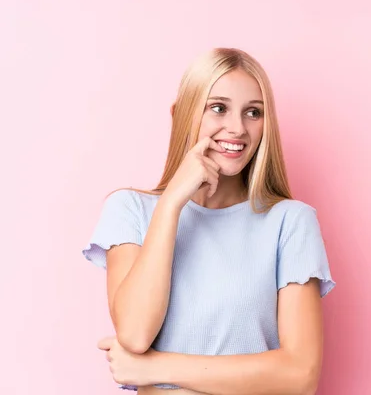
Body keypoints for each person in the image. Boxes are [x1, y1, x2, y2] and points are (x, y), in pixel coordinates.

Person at [81, 47, 336, 394]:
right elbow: (135, 334)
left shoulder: (290, 222)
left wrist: (153, 367)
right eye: (218, 108)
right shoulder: (130, 210)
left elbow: (299, 376)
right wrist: (171, 204)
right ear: (181, 114)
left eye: (253, 113)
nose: (237, 128)